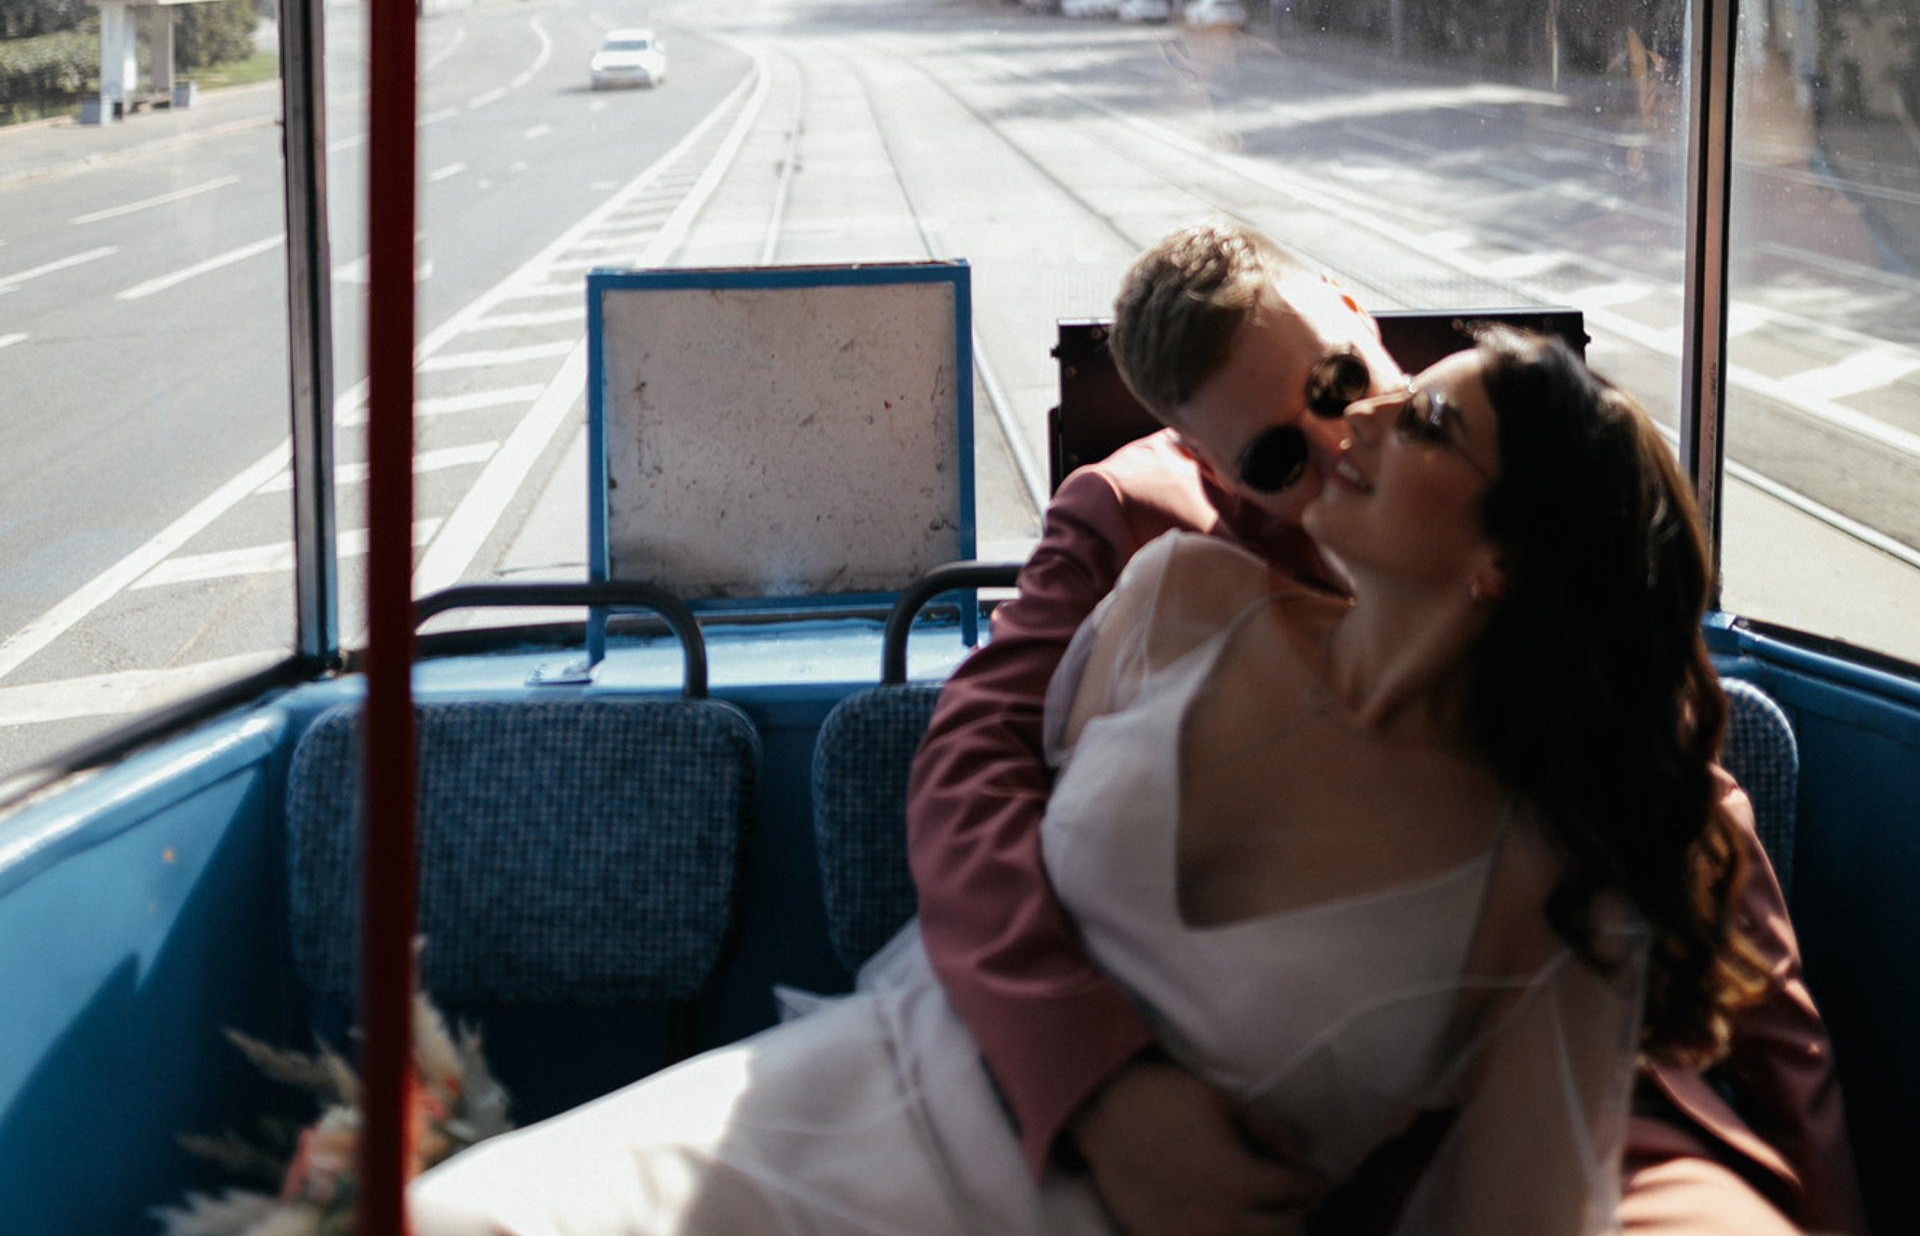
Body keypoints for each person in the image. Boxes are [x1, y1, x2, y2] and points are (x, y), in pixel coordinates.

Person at [414, 311, 1780, 1236]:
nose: (1354, 426)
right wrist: (1094, 1081)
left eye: (1423, 427)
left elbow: (1520, 1212)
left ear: (1503, 562)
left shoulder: (1556, 892)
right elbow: (974, 790)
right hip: (843, 1099)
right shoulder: (1178, 595)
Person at [907, 225, 1863, 1236]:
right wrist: (1089, 1074)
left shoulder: (1522, 493)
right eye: (1274, 457)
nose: (1336, 447)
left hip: (1591, 1088)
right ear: (1209, 466)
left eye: (1338, 380)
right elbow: (970, 770)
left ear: (1352, 306)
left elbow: (1680, 812)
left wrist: (1824, 1192)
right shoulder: (1141, 530)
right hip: (1274, 1113)